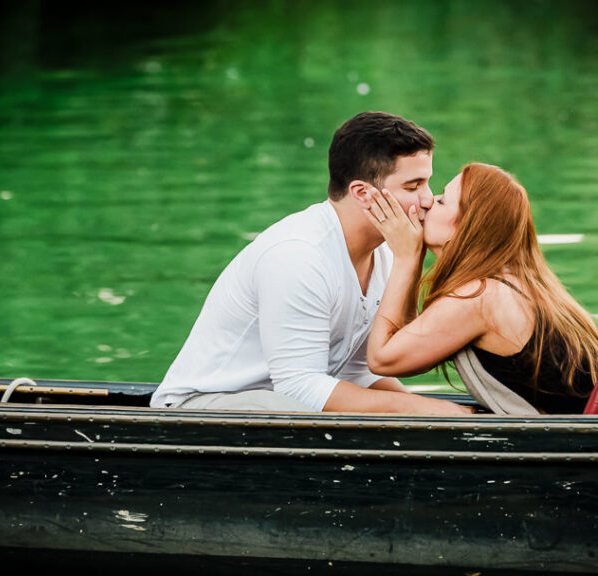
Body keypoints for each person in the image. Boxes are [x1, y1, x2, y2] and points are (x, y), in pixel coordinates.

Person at [151, 111, 474, 415]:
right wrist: (433, 410)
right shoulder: (298, 256)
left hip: (282, 402)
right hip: (203, 406)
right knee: (315, 415)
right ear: (363, 193)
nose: (428, 199)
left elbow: (357, 370)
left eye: (427, 183)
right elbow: (300, 387)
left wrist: (433, 411)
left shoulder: (389, 253)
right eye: (413, 186)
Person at [363, 162, 598, 414]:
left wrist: (405, 258)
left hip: (579, 445)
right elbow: (412, 352)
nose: (428, 202)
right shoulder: (515, 283)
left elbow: (383, 359)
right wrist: (413, 258)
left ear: (468, 225)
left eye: (442, 201)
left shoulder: (480, 296)